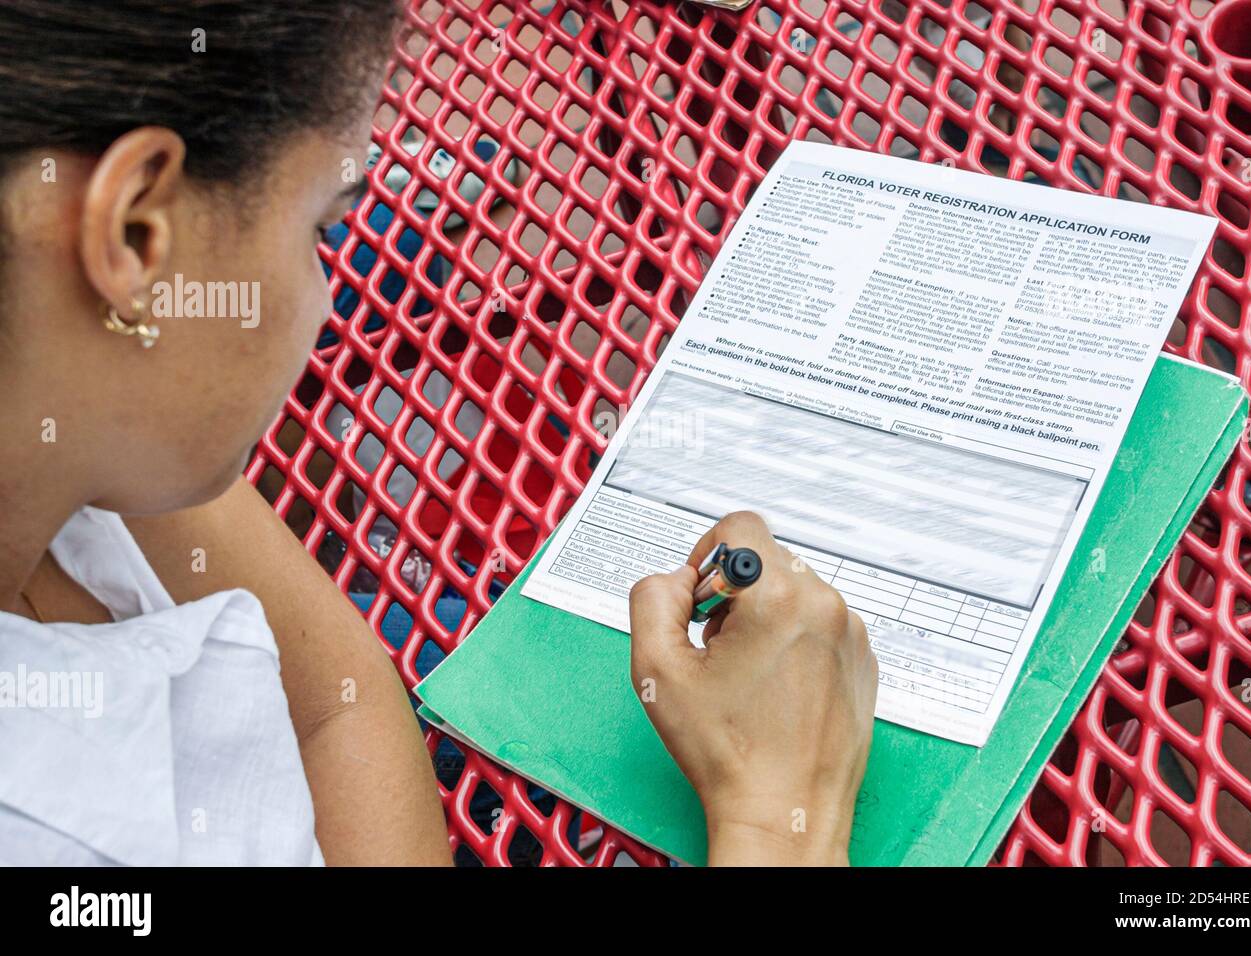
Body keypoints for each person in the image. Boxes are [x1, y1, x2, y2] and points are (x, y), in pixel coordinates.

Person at [0, 1, 876, 866]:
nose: (324, 300)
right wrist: (777, 818)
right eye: (322, 226)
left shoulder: (71, 395)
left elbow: (338, 702)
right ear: (135, 234)